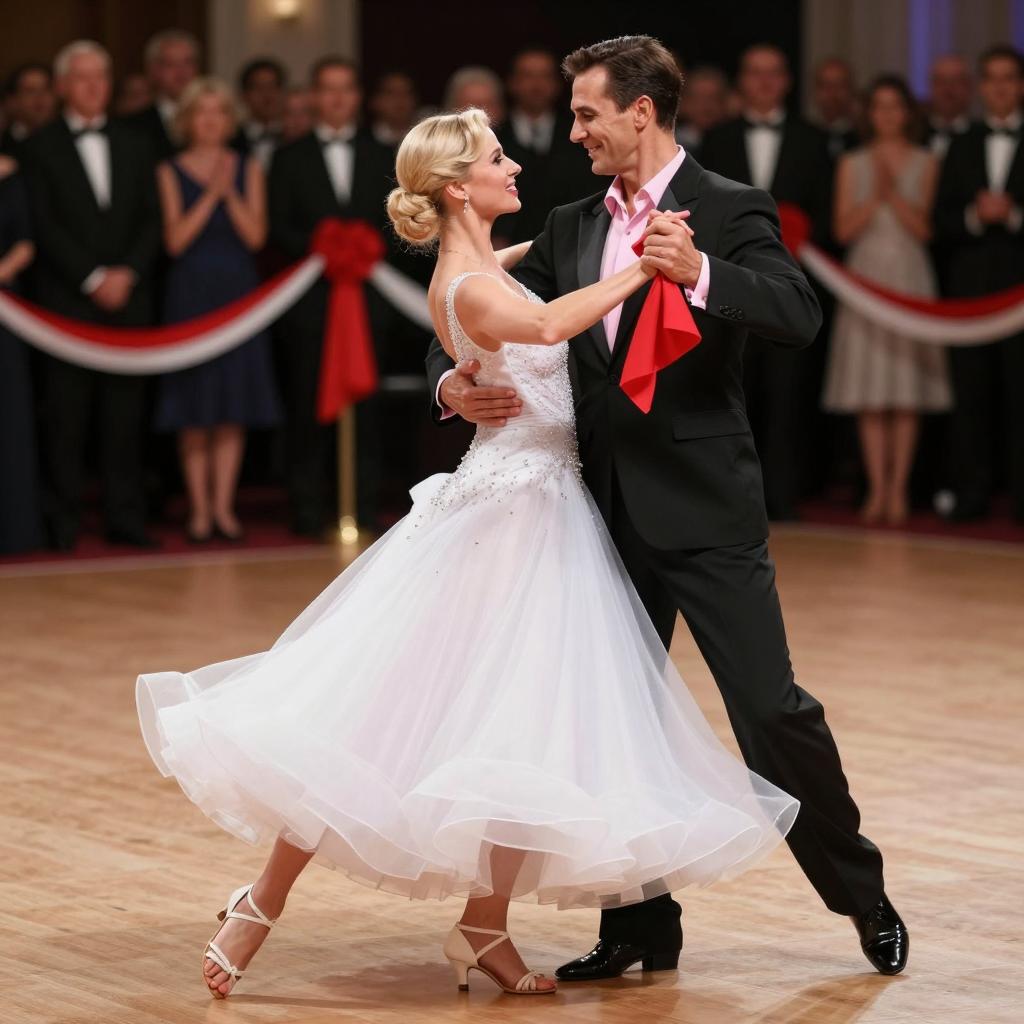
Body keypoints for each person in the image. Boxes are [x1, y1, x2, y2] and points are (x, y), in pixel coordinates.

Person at [136, 105, 800, 1001]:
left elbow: (543, 277)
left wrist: (459, 375)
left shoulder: (492, 264)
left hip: (548, 512)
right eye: (496, 158)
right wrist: (645, 270)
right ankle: (262, 901)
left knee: (526, 728)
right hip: (504, 517)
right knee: (382, 717)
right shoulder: (469, 283)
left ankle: (484, 925)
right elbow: (551, 327)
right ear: (458, 188)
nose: (515, 166)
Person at [428, 35, 907, 981]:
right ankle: (639, 928)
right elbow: (467, 304)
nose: (575, 132)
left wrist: (703, 274)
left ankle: (864, 896)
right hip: (597, 513)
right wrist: (449, 387)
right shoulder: (568, 224)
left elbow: (799, 314)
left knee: (771, 711)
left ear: (640, 111)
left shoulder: (729, 207)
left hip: (706, 505)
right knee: (611, 721)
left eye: (587, 114)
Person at [22, 40, 160, 551]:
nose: (93, 87)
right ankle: (62, 525)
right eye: (82, 78)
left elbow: (152, 218)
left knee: (125, 420)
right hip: (66, 306)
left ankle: (125, 519)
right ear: (62, 86)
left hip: (129, 301)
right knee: (66, 419)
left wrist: (127, 273)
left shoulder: (136, 142)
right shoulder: (38, 147)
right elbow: (42, 223)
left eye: (100, 77)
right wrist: (91, 277)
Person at [699, 44, 833, 520]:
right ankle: (731, 496)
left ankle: (783, 495)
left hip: (789, 287)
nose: (763, 82)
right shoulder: (716, 139)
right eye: (754, 73)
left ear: (787, 81)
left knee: (787, 394)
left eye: (772, 73)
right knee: (731, 390)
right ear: (742, 80)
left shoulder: (813, 140)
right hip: (724, 288)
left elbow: (826, 216)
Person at [268, 56, 394, 535]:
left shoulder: (385, 154)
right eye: (328, 89)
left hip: (372, 299)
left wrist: (363, 249)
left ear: (358, 97)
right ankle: (306, 508)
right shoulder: (288, 157)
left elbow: (402, 220)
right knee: (307, 403)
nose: (338, 98)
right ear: (314, 96)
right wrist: (323, 247)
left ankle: (363, 505)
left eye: (346, 88)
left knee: (367, 406)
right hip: (311, 303)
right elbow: (277, 226)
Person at [153, 78, 281, 543]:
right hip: (190, 296)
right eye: (201, 111)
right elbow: (175, 241)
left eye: (219, 111)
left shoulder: (249, 168)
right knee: (194, 407)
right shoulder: (169, 170)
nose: (210, 120)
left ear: (230, 120)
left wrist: (230, 192)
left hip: (237, 296)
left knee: (232, 405)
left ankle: (224, 510)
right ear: (187, 120)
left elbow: (255, 237)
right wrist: (210, 193)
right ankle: (199, 511)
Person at [823, 75, 951, 524]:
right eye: (879, 107)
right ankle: (877, 488)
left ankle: (899, 490)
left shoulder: (927, 160)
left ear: (907, 113)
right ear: (869, 114)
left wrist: (892, 191)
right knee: (870, 388)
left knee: (905, 389)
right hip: (865, 275)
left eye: (895, 106)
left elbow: (924, 229)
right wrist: (873, 193)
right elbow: (842, 230)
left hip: (910, 274)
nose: (887, 115)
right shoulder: (851, 162)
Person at [934, 45, 1024, 523]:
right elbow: (940, 219)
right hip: (969, 296)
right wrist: (974, 215)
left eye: (1009, 78)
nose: (1000, 87)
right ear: (982, 87)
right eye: (992, 79)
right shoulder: (962, 142)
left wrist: (1013, 216)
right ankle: (972, 495)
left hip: (1021, 296)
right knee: (970, 397)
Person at [493, 47, 598, 244]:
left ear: (557, 84)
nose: (536, 85)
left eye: (545, 76)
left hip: (572, 244)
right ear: (512, 82)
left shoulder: (581, 136)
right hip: (506, 249)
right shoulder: (494, 138)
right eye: (528, 76)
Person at [0, 154, 44, 553]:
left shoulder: (14, 174)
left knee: (8, 414)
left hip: (6, 310)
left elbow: (26, 242)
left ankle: (14, 529)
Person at [128, 29, 201, 159]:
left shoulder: (220, 122)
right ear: (153, 70)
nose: (181, 72)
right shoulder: (133, 127)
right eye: (170, 64)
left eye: (187, 63)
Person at [232, 57, 286, 169]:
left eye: (273, 86)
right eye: (258, 87)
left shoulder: (294, 137)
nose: (267, 95)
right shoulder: (231, 140)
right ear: (243, 95)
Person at [1, 63, 56, 160]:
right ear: (12, 100)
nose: (40, 97)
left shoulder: (68, 139)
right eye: (30, 91)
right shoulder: (3, 143)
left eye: (46, 89)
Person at [926, 55, 972, 160]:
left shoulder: (981, 136)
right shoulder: (916, 134)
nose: (948, 89)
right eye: (941, 81)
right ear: (931, 86)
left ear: (968, 87)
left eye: (956, 81)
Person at [675, 65, 729, 155]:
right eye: (699, 98)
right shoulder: (671, 142)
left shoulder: (733, 142)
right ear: (684, 102)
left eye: (713, 98)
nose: (707, 106)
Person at [812, 57, 860, 159]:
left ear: (851, 89)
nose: (832, 92)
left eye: (840, 85)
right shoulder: (803, 139)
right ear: (816, 91)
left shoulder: (864, 138)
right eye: (826, 85)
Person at [367, 70, 419, 147]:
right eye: (390, 93)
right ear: (375, 101)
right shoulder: (362, 142)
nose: (400, 99)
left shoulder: (427, 138)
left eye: (406, 92)